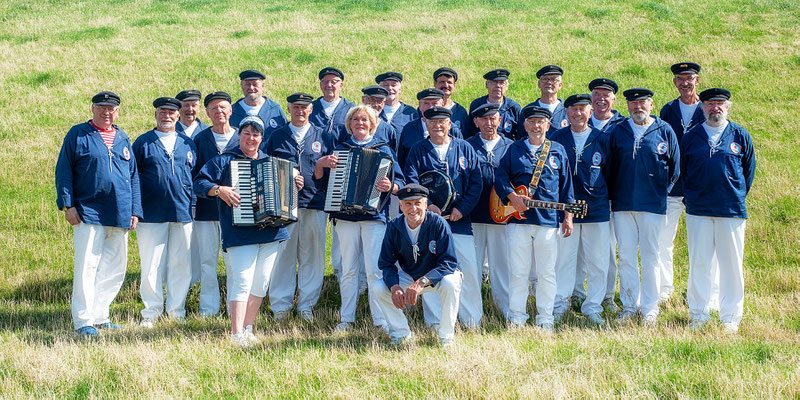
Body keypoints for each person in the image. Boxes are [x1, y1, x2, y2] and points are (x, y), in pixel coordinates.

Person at [193, 116, 302, 347]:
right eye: (247, 133)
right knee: (242, 281)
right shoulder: (224, 161)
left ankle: (248, 328)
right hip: (239, 232)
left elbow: (289, 190)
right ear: (239, 135)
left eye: (256, 134)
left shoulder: (274, 162)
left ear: (261, 138)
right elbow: (199, 183)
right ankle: (235, 335)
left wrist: (295, 184)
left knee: (261, 283)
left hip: (271, 232)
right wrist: (218, 189)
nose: (251, 138)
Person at [55, 91, 142, 336]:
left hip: (120, 210)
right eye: (102, 107)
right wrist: (67, 204)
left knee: (115, 266)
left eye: (111, 109)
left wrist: (135, 210)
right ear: (92, 108)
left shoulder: (123, 137)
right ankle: (83, 321)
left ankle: (101, 314)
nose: (106, 112)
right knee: (87, 266)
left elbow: (133, 176)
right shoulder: (78, 134)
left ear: (118, 112)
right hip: (88, 210)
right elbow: (64, 170)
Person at [318, 105, 404, 333]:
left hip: (374, 217)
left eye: (364, 119)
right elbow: (323, 184)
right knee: (348, 269)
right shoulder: (340, 149)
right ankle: (346, 318)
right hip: (345, 217)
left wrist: (391, 186)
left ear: (372, 123)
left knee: (375, 269)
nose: (360, 123)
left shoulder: (384, 150)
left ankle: (381, 319)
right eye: (355, 119)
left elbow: (401, 183)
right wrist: (324, 166)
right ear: (349, 124)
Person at [494, 105, 574, 331]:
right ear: (525, 125)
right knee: (518, 271)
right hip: (518, 221)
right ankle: (517, 318)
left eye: (541, 122)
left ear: (548, 125)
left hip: (548, 221)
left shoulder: (557, 150)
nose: (536, 126)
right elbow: (499, 177)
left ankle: (545, 318)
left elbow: (566, 187)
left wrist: (567, 217)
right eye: (531, 122)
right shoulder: (514, 149)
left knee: (546, 272)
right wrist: (512, 196)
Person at [681, 88, 754, 333]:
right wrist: (691, 198)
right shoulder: (692, 136)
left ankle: (730, 318)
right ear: (702, 108)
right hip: (698, 210)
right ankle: (699, 313)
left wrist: (734, 195)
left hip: (731, 210)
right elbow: (683, 171)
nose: (715, 109)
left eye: (720, 104)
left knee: (731, 265)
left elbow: (748, 172)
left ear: (727, 107)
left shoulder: (740, 135)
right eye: (710, 104)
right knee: (699, 263)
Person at [404, 106, 483, 329]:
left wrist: (462, 209)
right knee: (430, 272)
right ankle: (435, 321)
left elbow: (476, 183)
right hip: (429, 223)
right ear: (426, 124)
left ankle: (471, 320)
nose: (437, 126)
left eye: (442, 122)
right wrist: (428, 207)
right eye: (432, 122)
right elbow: (412, 181)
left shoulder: (465, 148)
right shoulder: (418, 150)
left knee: (468, 270)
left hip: (460, 221)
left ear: (450, 124)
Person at [607, 88, 679, 325]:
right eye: (633, 103)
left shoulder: (664, 130)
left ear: (651, 104)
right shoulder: (618, 131)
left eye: (643, 103)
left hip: (652, 206)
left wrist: (658, 193)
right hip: (623, 205)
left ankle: (650, 308)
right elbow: (609, 167)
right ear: (627, 106)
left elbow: (675, 169)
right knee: (626, 256)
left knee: (651, 256)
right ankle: (629, 305)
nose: (638, 107)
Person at [263, 92, 334, 322]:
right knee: (283, 256)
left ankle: (307, 306)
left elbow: (334, 170)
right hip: (284, 205)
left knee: (312, 257)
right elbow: (266, 165)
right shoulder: (277, 136)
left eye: (304, 107)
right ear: (289, 109)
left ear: (311, 110)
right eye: (295, 107)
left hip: (314, 204)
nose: (300, 111)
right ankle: (280, 306)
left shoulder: (323, 135)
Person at [132, 97, 197, 328]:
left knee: (181, 264)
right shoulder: (143, 142)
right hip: (151, 213)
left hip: (182, 212)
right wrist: (135, 210)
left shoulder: (187, 143)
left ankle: (176, 312)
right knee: (151, 265)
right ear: (155, 114)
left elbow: (195, 177)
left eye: (171, 112)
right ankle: (151, 313)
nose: (167, 116)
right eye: (162, 112)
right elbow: (132, 178)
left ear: (178, 116)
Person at [372, 184, 463, 346]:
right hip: (411, 275)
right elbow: (386, 263)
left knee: (451, 282)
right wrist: (394, 287)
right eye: (408, 204)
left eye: (417, 203)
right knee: (379, 288)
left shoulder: (438, 223)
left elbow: (448, 262)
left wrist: (422, 282)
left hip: (440, 275)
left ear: (426, 204)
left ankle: (446, 337)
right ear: (400, 206)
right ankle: (401, 335)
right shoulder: (394, 226)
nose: (413, 208)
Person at [551, 94, 611, 326]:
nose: (577, 113)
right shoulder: (557, 138)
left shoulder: (602, 138)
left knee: (597, 260)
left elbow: (610, 172)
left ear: (590, 112)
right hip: (565, 209)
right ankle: (561, 303)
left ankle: (593, 306)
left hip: (596, 208)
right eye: (573, 109)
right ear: (566, 113)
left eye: (582, 109)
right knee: (564, 259)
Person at [657, 62, 707, 303]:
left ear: (697, 81)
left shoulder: (707, 109)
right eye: (680, 78)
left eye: (689, 78)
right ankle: (664, 291)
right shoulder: (668, 110)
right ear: (674, 82)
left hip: (699, 187)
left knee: (702, 245)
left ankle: (699, 293)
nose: (685, 83)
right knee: (663, 241)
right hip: (673, 187)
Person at [191, 91, 239, 316]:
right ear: (207, 113)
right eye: (213, 108)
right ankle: (208, 309)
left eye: (223, 107)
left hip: (236, 211)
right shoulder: (200, 140)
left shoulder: (243, 137)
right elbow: (194, 177)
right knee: (207, 261)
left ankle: (234, 310)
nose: (219, 111)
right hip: (206, 210)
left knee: (234, 262)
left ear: (231, 110)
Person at [465, 103, 513, 317]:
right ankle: (472, 314)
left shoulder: (511, 146)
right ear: (476, 122)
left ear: (499, 120)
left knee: (501, 268)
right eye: (483, 119)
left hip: (502, 217)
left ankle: (505, 311)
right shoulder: (466, 146)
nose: (488, 123)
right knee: (471, 268)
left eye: (493, 118)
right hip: (473, 216)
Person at [586, 78, 625, 314]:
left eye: (606, 94)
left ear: (613, 99)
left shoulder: (622, 125)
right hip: (584, 198)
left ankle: (608, 296)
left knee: (608, 249)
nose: (601, 98)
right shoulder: (581, 121)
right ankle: (579, 293)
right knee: (579, 250)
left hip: (613, 197)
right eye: (596, 94)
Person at [397, 88, 463, 169]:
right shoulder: (409, 129)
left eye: (435, 103)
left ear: (442, 104)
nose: (431, 107)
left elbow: (461, 157)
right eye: (426, 103)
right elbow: (401, 159)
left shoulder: (453, 129)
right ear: (420, 106)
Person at [229, 69, 287, 139]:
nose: (251, 88)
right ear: (242, 86)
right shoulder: (232, 111)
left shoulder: (274, 109)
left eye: (255, 84)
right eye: (247, 84)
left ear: (262, 86)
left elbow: (285, 135)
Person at [467, 68, 521, 140]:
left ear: (507, 87)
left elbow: (520, 135)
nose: (498, 86)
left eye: (502, 82)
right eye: (494, 82)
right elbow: (470, 132)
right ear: (486, 84)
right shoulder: (477, 105)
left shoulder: (514, 108)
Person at [518, 65, 569, 139]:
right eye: (545, 79)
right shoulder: (528, 110)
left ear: (560, 85)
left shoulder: (567, 109)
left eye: (553, 79)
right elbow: (521, 138)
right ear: (539, 84)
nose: (549, 82)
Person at [309, 67, 355, 141]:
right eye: (325, 82)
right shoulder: (310, 108)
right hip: (316, 151)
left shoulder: (351, 109)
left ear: (341, 85)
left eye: (333, 82)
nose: (329, 85)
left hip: (342, 151)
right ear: (321, 85)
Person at [376, 71, 418, 135]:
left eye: (393, 85)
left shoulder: (410, 113)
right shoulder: (373, 111)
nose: (390, 88)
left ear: (400, 89)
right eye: (385, 85)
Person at [361, 85, 399, 152]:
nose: (376, 104)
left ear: (384, 103)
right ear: (363, 99)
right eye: (372, 100)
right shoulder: (353, 125)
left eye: (380, 101)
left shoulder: (388, 130)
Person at [433, 67, 469, 133]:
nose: (446, 85)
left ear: (454, 85)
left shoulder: (461, 112)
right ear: (435, 84)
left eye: (449, 82)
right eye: (442, 82)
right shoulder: (427, 108)